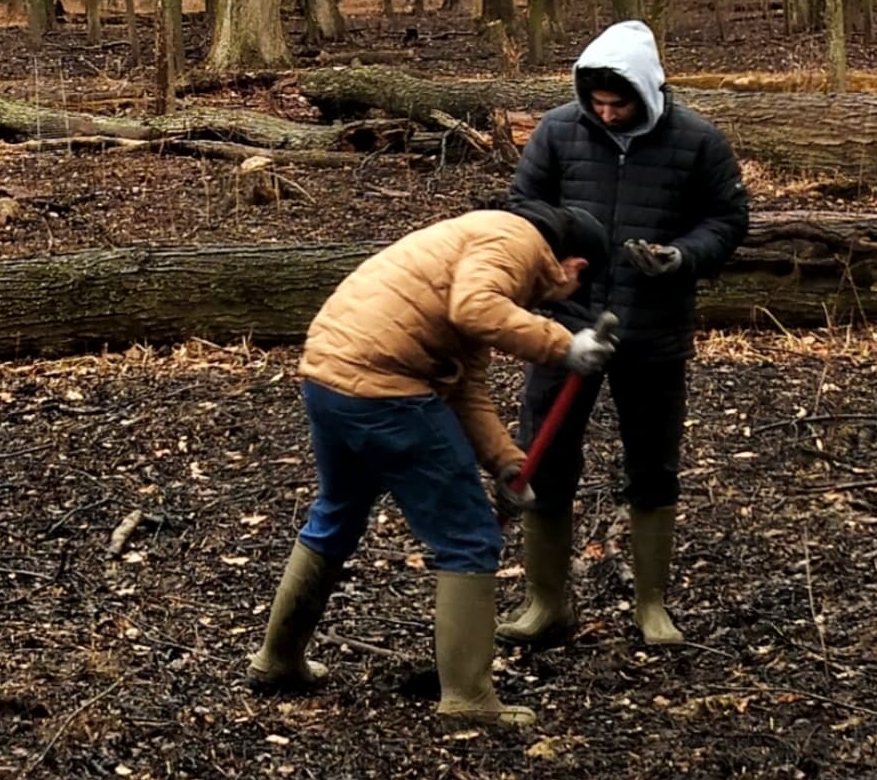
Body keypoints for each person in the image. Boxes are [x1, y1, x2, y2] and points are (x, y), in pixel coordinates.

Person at [246, 202, 615, 728]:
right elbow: (476, 310)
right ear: (574, 267)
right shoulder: (515, 240)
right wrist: (563, 346)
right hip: (384, 387)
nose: (555, 307)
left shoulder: (473, 239)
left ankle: (277, 660)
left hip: (329, 374)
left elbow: (467, 385)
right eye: (569, 296)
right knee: (469, 537)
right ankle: (468, 698)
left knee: (338, 511)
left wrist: (506, 463)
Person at [501, 19, 749, 647]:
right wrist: (551, 257)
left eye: (620, 103)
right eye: (598, 103)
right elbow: (521, 207)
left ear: (648, 91)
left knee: (653, 463)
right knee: (547, 457)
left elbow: (727, 219)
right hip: (564, 325)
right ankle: (545, 602)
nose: (607, 114)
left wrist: (682, 257)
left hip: (654, 329)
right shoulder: (558, 131)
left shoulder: (696, 141)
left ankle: (651, 604)